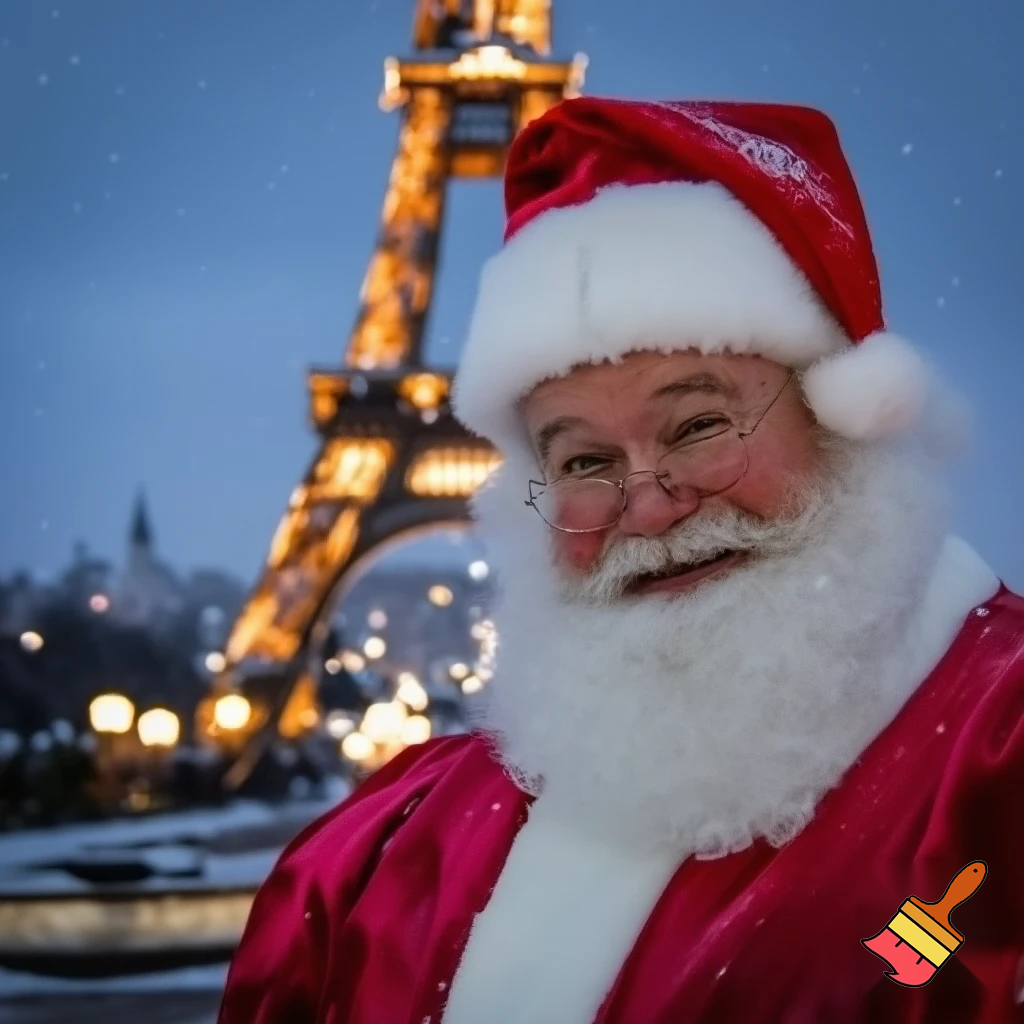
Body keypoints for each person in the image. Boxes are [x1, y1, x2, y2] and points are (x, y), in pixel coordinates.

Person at [218, 98, 1024, 1024]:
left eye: (699, 426)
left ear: (844, 421)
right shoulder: (375, 860)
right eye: (585, 461)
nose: (647, 505)